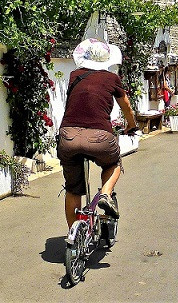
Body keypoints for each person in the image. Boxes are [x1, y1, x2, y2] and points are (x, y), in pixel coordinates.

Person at [58, 38, 137, 228]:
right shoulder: (111, 78)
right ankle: (105, 194)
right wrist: (131, 125)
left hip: (68, 136)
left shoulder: (74, 76)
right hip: (99, 137)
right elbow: (126, 105)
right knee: (114, 162)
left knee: (73, 190)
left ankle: (73, 234)